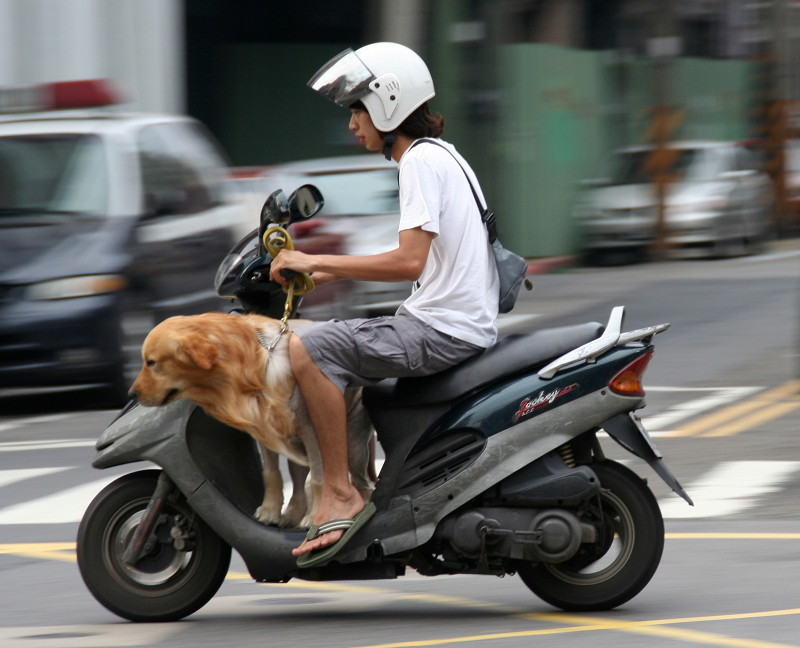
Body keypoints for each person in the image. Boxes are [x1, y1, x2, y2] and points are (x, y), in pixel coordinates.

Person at [269, 42, 499, 566]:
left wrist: (311, 261)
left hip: (441, 330)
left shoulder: (418, 161)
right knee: (340, 340)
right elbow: (418, 260)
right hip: (453, 322)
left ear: (389, 104)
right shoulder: (445, 156)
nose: (353, 123)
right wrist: (324, 269)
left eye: (358, 109)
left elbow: (408, 263)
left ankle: (340, 493)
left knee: (311, 350)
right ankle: (369, 485)